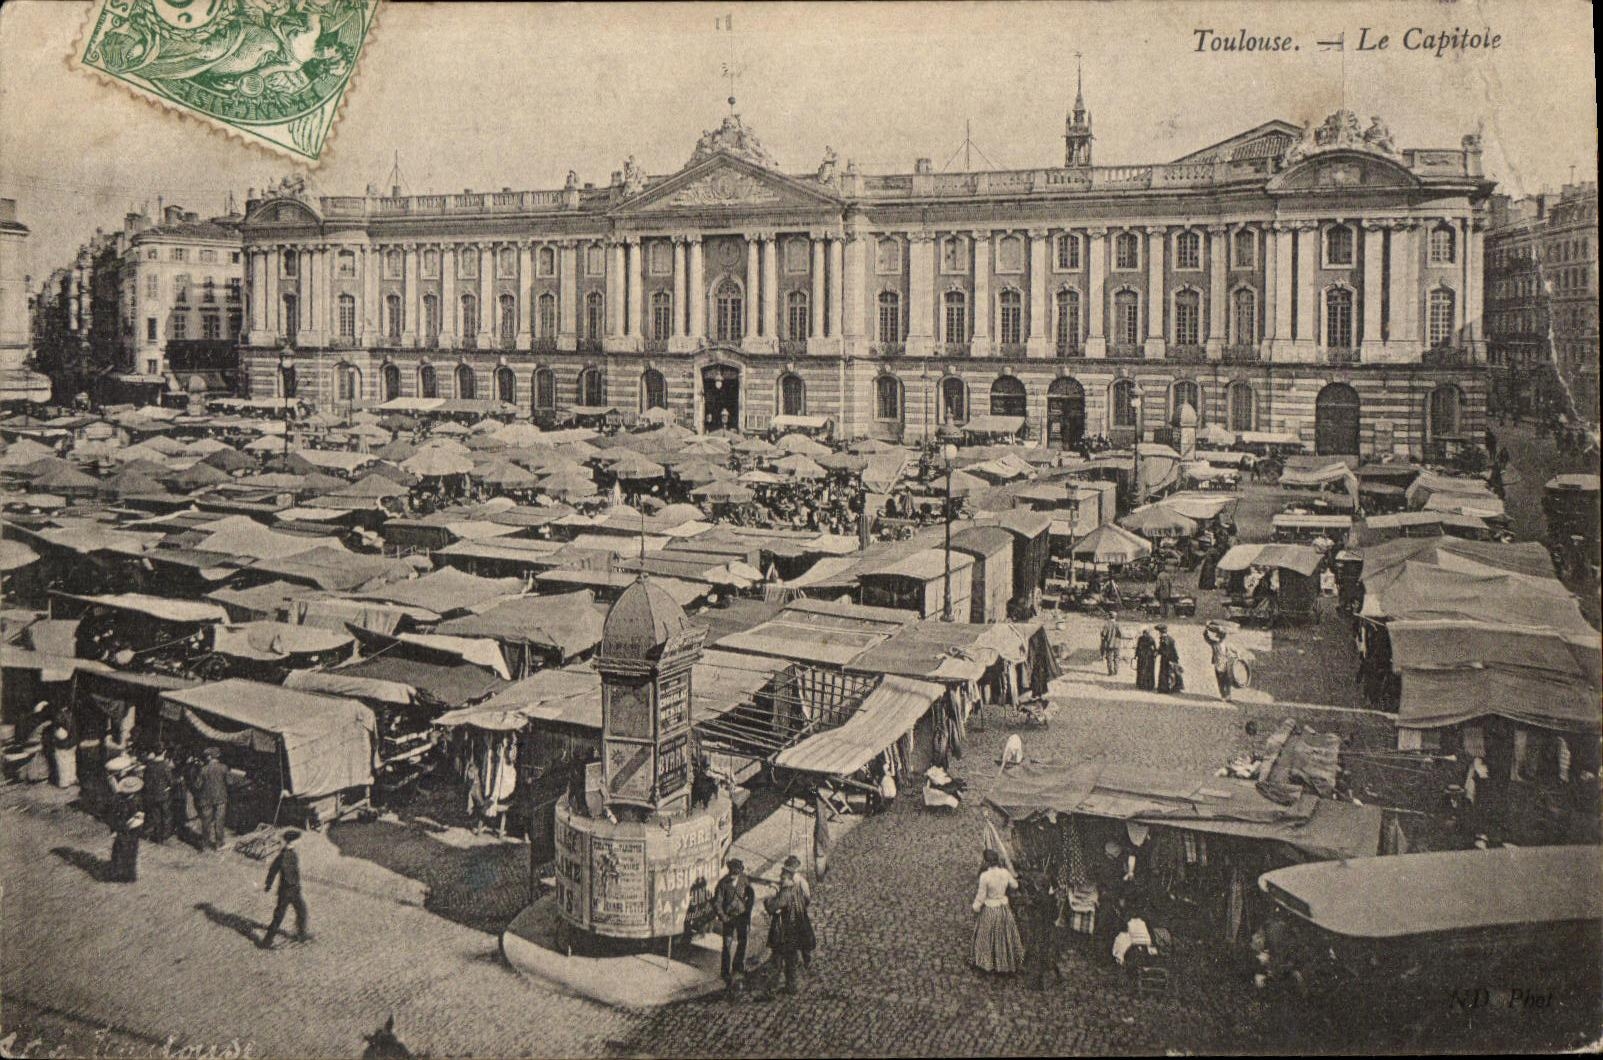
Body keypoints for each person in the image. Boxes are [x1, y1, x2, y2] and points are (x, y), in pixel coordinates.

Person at [970, 848, 1024, 974]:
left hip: (990, 909)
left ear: (986, 862)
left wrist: (975, 907)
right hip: (1003, 909)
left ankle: (987, 962)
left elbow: (981, 896)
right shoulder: (1004, 872)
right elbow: (1015, 885)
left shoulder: (985, 876)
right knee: (1005, 936)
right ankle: (1004, 962)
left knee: (986, 936)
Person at [764, 865, 811, 994]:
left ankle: (770, 990)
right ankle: (792, 986)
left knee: (776, 961)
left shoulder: (785, 893)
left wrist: (770, 895)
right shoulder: (797, 890)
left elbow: (771, 907)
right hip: (795, 932)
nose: (780, 879)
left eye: (782, 877)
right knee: (792, 960)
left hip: (784, 933)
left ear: (789, 879)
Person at [259, 830, 309, 949]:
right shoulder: (285, 855)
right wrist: (269, 884)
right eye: (298, 840)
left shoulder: (289, 853)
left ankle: (301, 934)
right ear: (293, 841)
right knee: (279, 917)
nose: (300, 842)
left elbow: (273, 870)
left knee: (302, 911)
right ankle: (266, 942)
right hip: (288, 891)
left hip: (293, 890)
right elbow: (278, 871)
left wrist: (269, 884)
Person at [712, 858, 755, 991]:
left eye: (735, 874)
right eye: (731, 873)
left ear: (739, 873)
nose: (733, 876)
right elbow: (717, 903)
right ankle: (725, 972)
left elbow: (751, 895)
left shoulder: (744, 880)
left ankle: (738, 967)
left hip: (742, 917)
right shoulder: (723, 884)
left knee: (743, 942)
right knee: (727, 944)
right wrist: (723, 917)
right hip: (729, 918)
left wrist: (748, 910)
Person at [781, 855, 817, 968]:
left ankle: (803, 959)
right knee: (801, 935)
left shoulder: (798, 881)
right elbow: (807, 897)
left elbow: (807, 897)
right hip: (799, 911)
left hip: (797, 912)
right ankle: (804, 960)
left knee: (801, 935)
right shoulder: (799, 880)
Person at [194, 746, 229, 851]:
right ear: (217, 756)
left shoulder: (203, 769)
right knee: (219, 821)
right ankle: (219, 844)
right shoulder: (224, 767)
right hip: (221, 798)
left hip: (206, 799)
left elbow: (197, 785)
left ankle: (205, 845)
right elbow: (230, 782)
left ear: (209, 757)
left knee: (206, 821)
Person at [108, 779, 144, 883]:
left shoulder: (121, 802)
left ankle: (119, 874)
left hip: (123, 831)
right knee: (131, 853)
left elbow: (116, 818)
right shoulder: (137, 799)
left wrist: (114, 830)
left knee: (120, 852)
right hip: (132, 831)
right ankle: (130, 875)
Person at [142, 748, 175, 844]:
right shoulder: (165, 766)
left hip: (152, 794)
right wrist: (169, 787)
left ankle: (158, 836)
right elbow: (171, 781)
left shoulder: (149, 765)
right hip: (164, 794)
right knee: (166, 815)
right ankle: (165, 835)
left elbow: (145, 780)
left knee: (156, 815)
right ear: (164, 752)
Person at [1206, 622, 1234, 701]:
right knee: (1220, 680)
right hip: (1218, 664)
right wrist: (1206, 630)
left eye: (1223, 636)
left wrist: (1237, 655)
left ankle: (1228, 696)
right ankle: (1223, 695)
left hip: (1226, 664)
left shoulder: (1227, 644)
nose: (1223, 637)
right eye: (1221, 636)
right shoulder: (1215, 644)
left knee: (1227, 680)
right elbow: (1207, 638)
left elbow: (1234, 651)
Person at [1156, 624, 1183, 694]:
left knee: (1166, 673)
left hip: (1167, 659)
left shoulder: (1164, 640)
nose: (1159, 634)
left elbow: (1165, 650)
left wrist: (1157, 652)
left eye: (1159, 632)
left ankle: (1165, 688)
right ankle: (1173, 687)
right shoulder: (1168, 638)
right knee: (1171, 673)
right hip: (1170, 658)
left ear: (1161, 632)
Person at [1134, 627, 1158, 692]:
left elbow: (1138, 648)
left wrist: (1136, 655)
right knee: (1145, 670)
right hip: (1146, 657)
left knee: (1144, 670)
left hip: (1146, 657)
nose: (1144, 635)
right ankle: (1145, 684)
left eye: (1145, 633)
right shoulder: (1150, 639)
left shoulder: (1143, 639)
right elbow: (1138, 647)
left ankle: (1144, 684)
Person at [1099, 611, 1123, 675]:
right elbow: (1121, 634)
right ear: (1115, 617)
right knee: (1116, 657)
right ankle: (1116, 671)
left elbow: (1103, 634)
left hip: (1109, 644)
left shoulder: (1107, 624)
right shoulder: (1118, 624)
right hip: (1117, 644)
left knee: (1109, 658)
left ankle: (1110, 672)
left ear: (1109, 616)